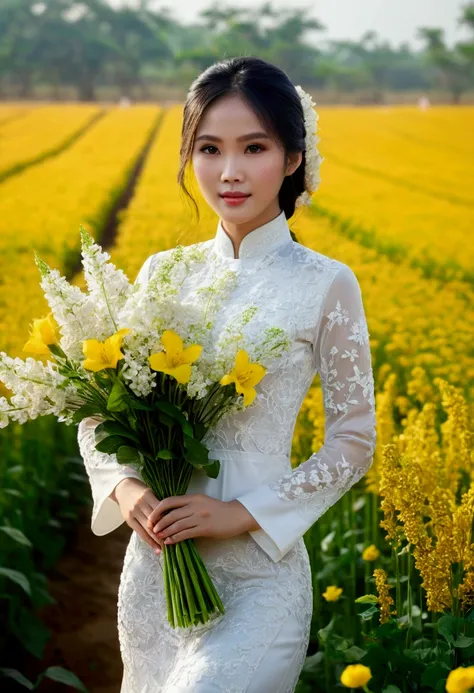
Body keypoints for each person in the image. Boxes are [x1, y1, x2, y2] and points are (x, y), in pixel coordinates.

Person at [78, 56, 377, 693]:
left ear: (293, 158)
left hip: (259, 575)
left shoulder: (326, 283)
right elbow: (102, 410)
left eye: (255, 147)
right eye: (209, 148)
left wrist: (239, 513)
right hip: (159, 570)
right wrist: (129, 493)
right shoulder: (165, 274)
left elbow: (353, 442)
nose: (230, 171)